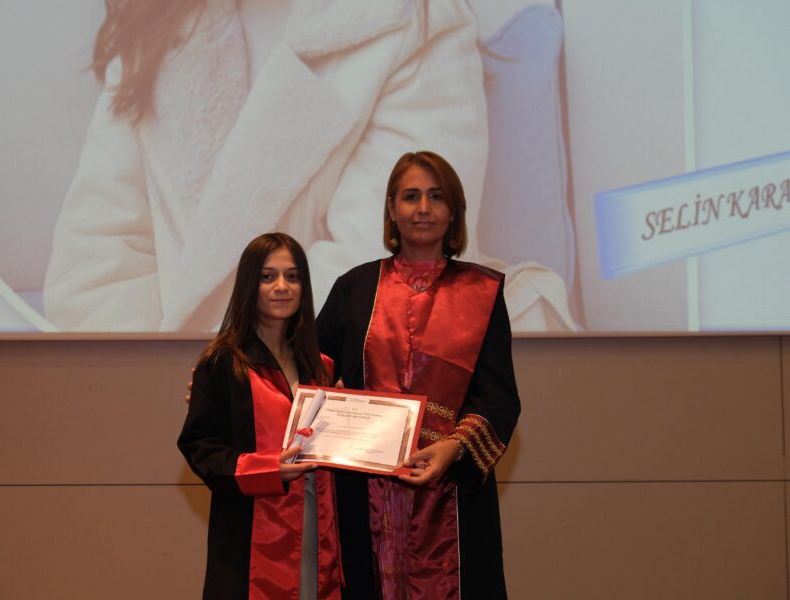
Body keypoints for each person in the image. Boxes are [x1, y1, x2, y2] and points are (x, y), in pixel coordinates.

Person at [43, 0, 500, 333]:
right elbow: (92, 274)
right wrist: (163, 390)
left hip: (327, 410)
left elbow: (390, 278)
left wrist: (222, 384)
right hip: (158, 405)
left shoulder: (412, 22)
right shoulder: (159, 26)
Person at [316, 151, 521, 599]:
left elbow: (499, 397)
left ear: (454, 211)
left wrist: (453, 448)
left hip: (453, 495)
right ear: (392, 208)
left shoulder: (483, 291)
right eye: (411, 197)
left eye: (436, 197)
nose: (423, 208)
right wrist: (234, 380)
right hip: (364, 494)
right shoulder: (354, 288)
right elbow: (308, 370)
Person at [177, 232, 341, 599]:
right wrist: (267, 469)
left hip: (318, 526)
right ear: (250, 284)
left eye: (293, 276)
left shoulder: (321, 366)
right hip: (250, 535)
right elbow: (199, 447)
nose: (282, 286)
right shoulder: (224, 361)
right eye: (268, 276)